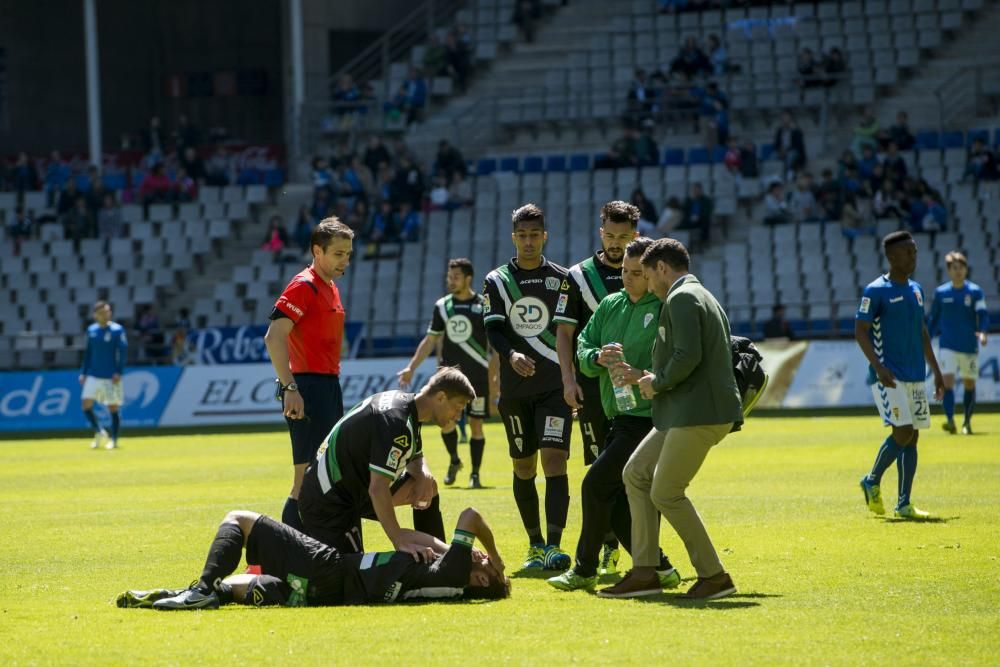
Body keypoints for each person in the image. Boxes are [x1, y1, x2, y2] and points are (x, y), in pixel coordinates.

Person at [599, 238, 743, 600]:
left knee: (666, 492)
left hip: (697, 412)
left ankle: (714, 576)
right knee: (635, 473)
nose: (648, 284)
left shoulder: (681, 297)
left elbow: (687, 355)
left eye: (647, 275)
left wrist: (655, 381)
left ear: (662, 268)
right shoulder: (698, 294)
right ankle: (645, 571)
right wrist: (655, 379)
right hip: (686, 411)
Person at [548, 237, 681, 592]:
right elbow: (583, 347)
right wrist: (597, 357)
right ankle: (661, 568)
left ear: (652, 274)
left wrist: (641, 373)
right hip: (616, 415)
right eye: (624, 271)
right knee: (620, 497)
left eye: (637, 273)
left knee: (595, 484)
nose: (628, 278)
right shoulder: (609, 304)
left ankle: (585, 568)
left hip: (649, 417)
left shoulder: (666, 307)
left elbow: (676, 361)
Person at [117, 506, 510, 610]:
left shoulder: (458, 572)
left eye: (488, 566)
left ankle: (200, 589)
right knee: (238, 589)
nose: (484, 556)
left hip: (331, 568)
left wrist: (493, 552)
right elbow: (421, 539)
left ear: (479, 580)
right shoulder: (447, 578)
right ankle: (182, 594)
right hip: (330, 595)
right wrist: (444, 548)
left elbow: (470, 517)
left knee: (239, 519)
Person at [482, 204, 575, 571]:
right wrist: (512, 355)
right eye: (522, 235)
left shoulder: (563, 279)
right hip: (516, 390)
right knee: (524, 466)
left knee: (555, 459)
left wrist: (572, 379)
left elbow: (570, 330)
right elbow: (493, 328)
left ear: (545, 236)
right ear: (513, 238)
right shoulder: (498, 281)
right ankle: (534, 543)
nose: (529, 241)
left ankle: (554, 545)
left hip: (554, 387)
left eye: (535, 235)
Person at [297, 368, 475, 558]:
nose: (458, 416)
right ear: (440, 397)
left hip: (353, 492)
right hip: (328, 502)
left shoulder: (408, 407)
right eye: (458, 407)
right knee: (347, 579)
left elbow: (415, 455)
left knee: (427, 486)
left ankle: (439, 565)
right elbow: (378, 488)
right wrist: (397, 538)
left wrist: (423, 474)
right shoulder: (395, 421)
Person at [555, 201, 639, 571]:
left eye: (624, 236)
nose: (616, 243)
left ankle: (637, 544)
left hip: (636, 391)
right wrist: (569, 379)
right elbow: (565, 333)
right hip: (593, 389)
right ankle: (610, 544)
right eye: (610, 235)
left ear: (634, 235)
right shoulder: (577, 276)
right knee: (600, 467)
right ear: (600, 231)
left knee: (631, 471)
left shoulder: (644, 270)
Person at [263, 219, 354, 532]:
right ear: (318, 251)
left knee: (324, 475)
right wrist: (290, 387)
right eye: (339, 254)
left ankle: (313, 546)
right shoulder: (305, 285)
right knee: (305, 479)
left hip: (327, 386)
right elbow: (274, 336)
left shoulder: (330, 287)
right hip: (306, 388)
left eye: (348, 254)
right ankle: (287, 548)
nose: (345, 260)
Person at [856, 231, 945, 521]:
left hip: (915, 375)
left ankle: (904, 503)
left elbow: (922, 332)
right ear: (892, 257)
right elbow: (860, 331)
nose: (913, 257)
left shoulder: (916, 289)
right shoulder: (875, 291)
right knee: (903, 431)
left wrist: (936, 371)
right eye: (908, 252)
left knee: (914, 436)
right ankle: (871, 479)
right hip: (888, 376)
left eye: (915, 251)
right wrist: (878, 367)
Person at [398, 258, 498, 488]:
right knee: (446, 423)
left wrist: (497, 375)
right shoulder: (443, 306)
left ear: (468, 278)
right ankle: (454, 460)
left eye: (455, 277)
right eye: (449, 277)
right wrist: (411, 367)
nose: (450, 281)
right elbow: (430, 340)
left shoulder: (484, 305)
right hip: (449, 379)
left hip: (477, 376)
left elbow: (495, 346)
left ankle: (475, 474)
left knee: (476, 425)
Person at [928, 252, 989, 435]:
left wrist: (983, 333)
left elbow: (983, 315)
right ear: (948, 270)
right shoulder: (940, 293)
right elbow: (933, 319)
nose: (958, 271)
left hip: (969, 346)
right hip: (947, 345)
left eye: (961, 267)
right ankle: (950, 421)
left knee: (969, 384)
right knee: (947, 384)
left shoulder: (975, 292)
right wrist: (927, 340)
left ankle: (967, 422)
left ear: (966, 269)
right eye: (954, 268)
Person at [79, 301, 128, 450]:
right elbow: (88, 353)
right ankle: (99, 431)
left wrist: (119, 372)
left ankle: (114, 440)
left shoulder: (117, 330)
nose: (106, 314)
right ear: (95, 315)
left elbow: (123, 353)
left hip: (110, 376)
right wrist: (83, 372)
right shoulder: (91, 330)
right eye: (102, 312)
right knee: (86, 404)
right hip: (93, 374)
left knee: (113, 408)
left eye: (108, 311)